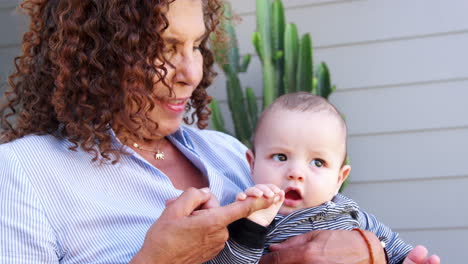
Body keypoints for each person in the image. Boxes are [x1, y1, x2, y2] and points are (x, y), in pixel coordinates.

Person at [0, 0, 438, 263]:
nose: (192, 72)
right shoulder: (25, 174)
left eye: (195, 46)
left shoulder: (229, 152)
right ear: (97, 54)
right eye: (166, 48)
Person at [208, 92, 440, 264]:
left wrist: (406, 260)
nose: (296, 173)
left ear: (340, 178)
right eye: (280, 156)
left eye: (318, 162)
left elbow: (390, 244)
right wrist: (253, 226)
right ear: (252, 164)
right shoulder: (246, 218)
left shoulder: (348, 211)